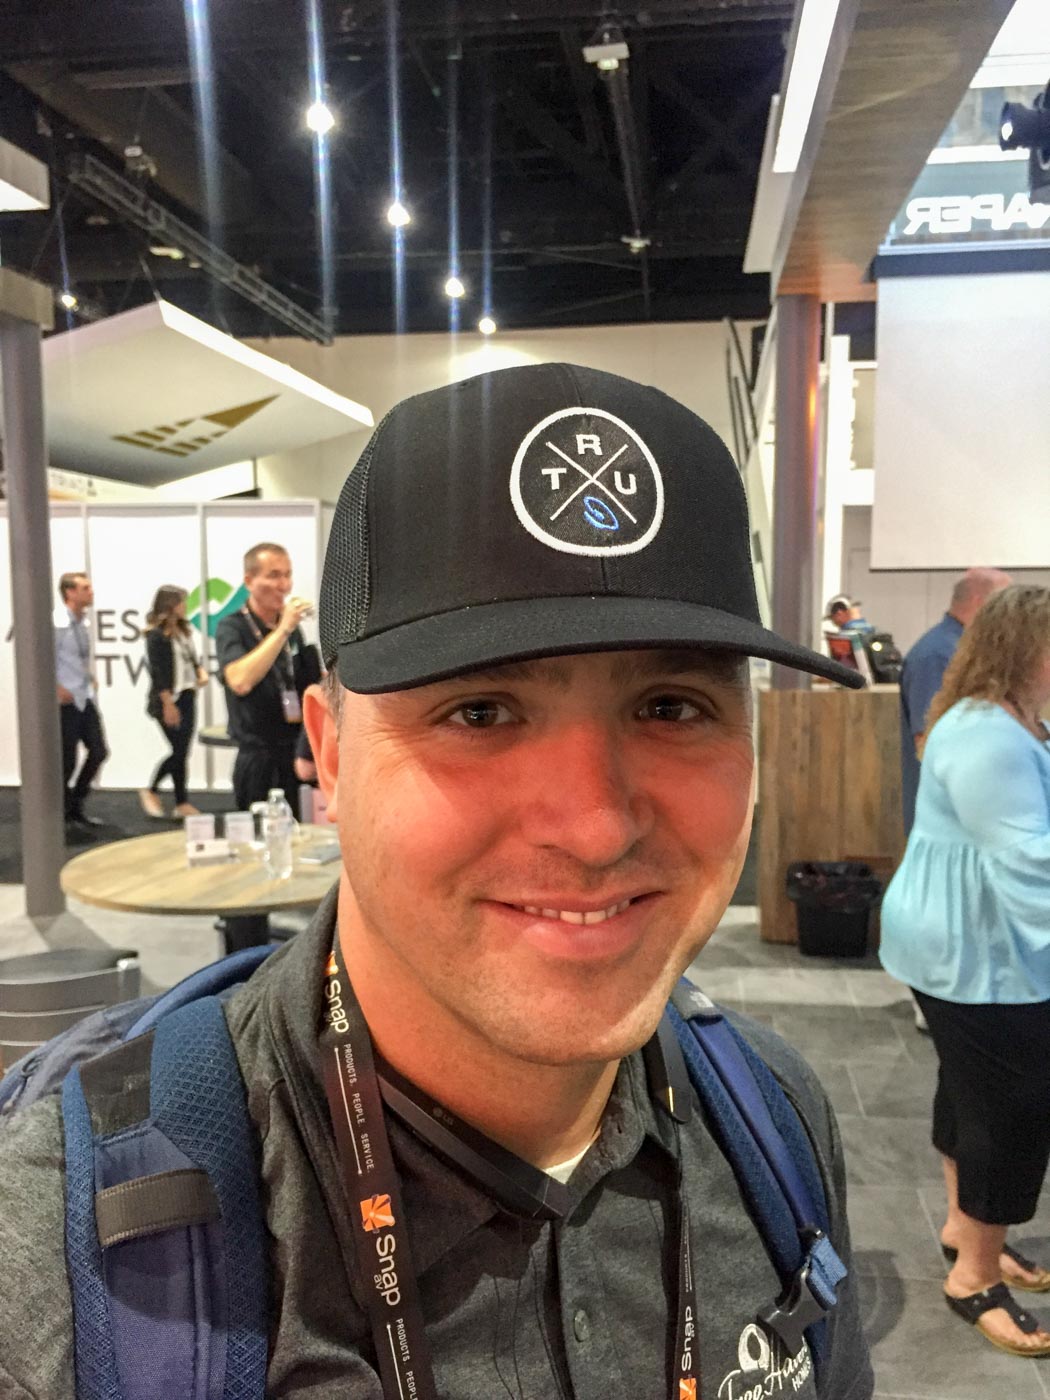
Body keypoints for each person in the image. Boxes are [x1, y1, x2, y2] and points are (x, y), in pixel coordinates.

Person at [0, 365, 873, 1398]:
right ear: (330, 753)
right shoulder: (64, 1257)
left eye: (672, 706)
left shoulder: (773, 1120)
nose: (597, 827)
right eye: (480, 712)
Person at [880, 584, 1050, 1359]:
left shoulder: (1003, 717)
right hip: (978, 954)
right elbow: (1030, 867)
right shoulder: (990, 736)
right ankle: (975, 1277)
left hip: (956, 944)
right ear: (1023, 650)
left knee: (971, 1091)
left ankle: (964, 1228)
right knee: (1010, 1112)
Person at [898, 567, 1012, 836]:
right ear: (981, 602)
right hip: (947, 818)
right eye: (1006, 605)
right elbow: (928, 740)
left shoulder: (966, 650)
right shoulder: (937, 655)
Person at [215, 541, 319, 813]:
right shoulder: (232, 626)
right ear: (249, 581)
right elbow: (240, 681)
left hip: (293, 751)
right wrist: (283, 629)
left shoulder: (292, 631)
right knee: (258, 833)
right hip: (257, 755)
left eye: (287, 575)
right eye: (273, 575)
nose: (283, 585)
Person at [139, 584, 209, 819]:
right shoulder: (156, 635)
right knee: (178, 751)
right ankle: (151, 790)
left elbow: (191, 659)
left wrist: (200, 672)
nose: (185, 606)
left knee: (182, 751)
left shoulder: (183, 631)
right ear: (170, 605)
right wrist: (168, 704)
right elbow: (158, 673)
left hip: (188, 694)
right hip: (168, 699)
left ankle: (181, 802)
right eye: (181, 602)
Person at [54, 570, 109, 832]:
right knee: (66, 760)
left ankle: (75, 804)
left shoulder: (82, 623)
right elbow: (41, 658)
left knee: (99, 751)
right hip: (65, 701)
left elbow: (77, 658)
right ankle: (63, 814)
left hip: (84, 696)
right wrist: (55, 688)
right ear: (70, 592)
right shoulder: (57, 623)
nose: (91, 592)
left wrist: (89, 678)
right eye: (85, 588)